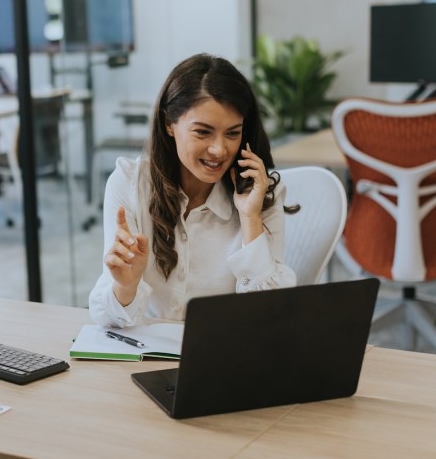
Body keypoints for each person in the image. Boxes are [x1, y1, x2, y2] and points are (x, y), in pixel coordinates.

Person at [89, 53, 298, 328]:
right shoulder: (130, 182)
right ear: (169, 124)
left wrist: (250, 219)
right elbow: (105, 317)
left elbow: (273, 315)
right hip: (149, 351)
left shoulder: (260, 193)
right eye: (203, 132)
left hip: (225, 354)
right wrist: (126, 286)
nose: (219, 150)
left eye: (233, 133)